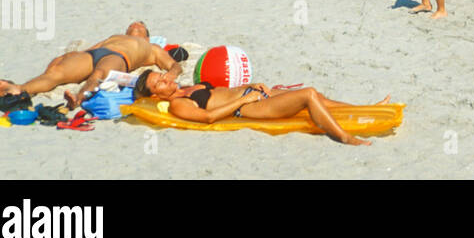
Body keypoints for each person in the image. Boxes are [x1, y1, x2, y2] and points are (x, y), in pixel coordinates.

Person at [132, 70, 381, 146]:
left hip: (253, 95)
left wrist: (251, 86)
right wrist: (242, 101)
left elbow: (222, 91)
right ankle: (344, 137)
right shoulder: (177, 103)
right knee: (308, 94)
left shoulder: (185, 87)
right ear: (156, 95)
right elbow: (208, 117)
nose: (165, 78)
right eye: (159, 82)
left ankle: (366, 109)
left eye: (161, 75)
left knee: (320, 98)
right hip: (247, 108)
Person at [0, 23, 180, 102]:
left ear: (147, 35)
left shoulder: (152, 47)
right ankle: (19, 89)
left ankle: (78, 99)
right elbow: (90, 50)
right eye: (131, 26)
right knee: (55, 74)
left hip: (119, 58)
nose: (134, 27)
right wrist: (66, 59)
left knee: (98, 75)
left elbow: (174, 65)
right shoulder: (115, 36)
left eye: (139, 27)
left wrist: (172, 73)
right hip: (95, 54)